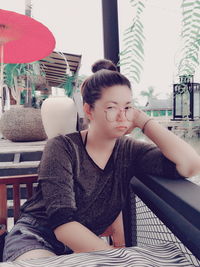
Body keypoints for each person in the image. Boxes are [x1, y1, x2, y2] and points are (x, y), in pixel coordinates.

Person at [3, 59, 200, 262]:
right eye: (112, 107)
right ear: (89, 111)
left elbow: (190, 165)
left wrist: (144, 121)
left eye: (128, 107)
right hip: (36, 237)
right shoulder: (62, 147)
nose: (122, 116)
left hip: (79, 250)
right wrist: (121, 259)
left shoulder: (130, 151)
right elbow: (63, 224)